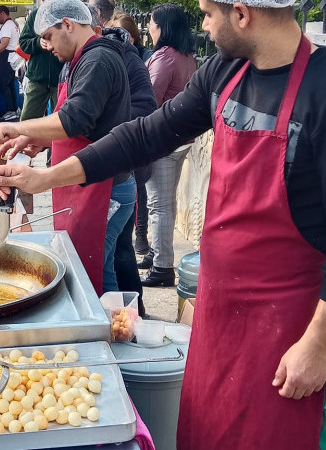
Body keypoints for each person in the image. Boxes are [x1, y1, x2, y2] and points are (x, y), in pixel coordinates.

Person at [0, 0, 326, 445]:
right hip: (215, 313)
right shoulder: (225, 73)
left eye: (207, 13)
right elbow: (144, 135)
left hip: (281, 334)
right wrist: (46, 176)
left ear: (241, 14)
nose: (203, 24)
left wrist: (316, 345)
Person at [0, 0, 133, 295]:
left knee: (93, 276)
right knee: (94, 270)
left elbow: (74, 119)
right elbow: (84, 122)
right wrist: (38, 139)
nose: (45, 45)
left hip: (105, 188)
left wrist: (18, 127)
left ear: (67, 24)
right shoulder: (79, 60)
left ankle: (110, 334)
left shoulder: (98, 60)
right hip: (87, 184)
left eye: (48, 36)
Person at [95, 9, 157, 312]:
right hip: (105, 167)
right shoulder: (96, 59)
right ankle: (133, 311)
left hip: (123, 167)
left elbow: (147, 108)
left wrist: (105, 124)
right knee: (118, 248)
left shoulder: (126, 61)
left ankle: (131, 314)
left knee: (117, 250)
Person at [136, 3, 197, 287]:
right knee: (166, 203)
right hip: (180, 139)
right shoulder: (186, 56)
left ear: (163, 27)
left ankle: (162, 267)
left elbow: (150, 100)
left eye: (152, 23)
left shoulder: (166, 58)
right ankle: (158, 254)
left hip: (163, 141)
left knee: (159, 205)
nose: (149, 28)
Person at [19, 7, 64, 123]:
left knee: (60, 122)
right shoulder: (36, 15)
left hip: (61, 79)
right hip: (37, 78)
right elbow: (23, 43)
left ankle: (53, 142)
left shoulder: (66, 13)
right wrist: (37, 42)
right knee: (26, 122)